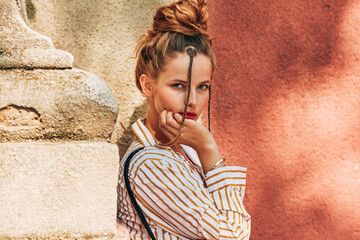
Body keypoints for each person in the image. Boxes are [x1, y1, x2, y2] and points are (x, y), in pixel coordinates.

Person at [117, 0, 251, 239]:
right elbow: (233, 235)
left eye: (203, 87)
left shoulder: (183, 153)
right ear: (148, 85)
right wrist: (208, 147)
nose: (192, 100)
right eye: (178, 85)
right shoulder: (153, 164)